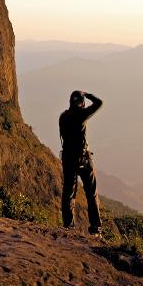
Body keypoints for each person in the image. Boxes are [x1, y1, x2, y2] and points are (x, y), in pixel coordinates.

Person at [59, 90, 103, 234]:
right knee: (91, 194)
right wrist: (88, 94)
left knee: (69, 193)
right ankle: (95, 228)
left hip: (68, 158)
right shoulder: (81, 114)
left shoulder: (63, 116)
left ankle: (68, 226)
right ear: (81, 103)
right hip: (83, 158)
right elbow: (99, 103)